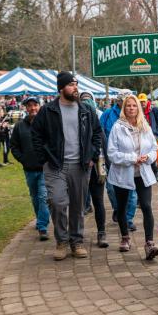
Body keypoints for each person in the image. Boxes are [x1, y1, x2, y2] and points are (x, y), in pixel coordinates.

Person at [31, 71, 102, 261]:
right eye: (71, 85)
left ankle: (76, 242)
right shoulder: (48, 111)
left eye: (76, 84)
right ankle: (61, 241)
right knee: (57, 201)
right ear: (61, 88)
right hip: (55, 166)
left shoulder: (86, 110)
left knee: (78, 206)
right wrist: (44, 159)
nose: (75, 87)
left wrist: (92, 156)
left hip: (80, 165)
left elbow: (97, 134)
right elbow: (36, 135)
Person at [108, 94, 158, 258]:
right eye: (128, 106)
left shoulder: (144, 126)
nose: (131, 108)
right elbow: (112, 153)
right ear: (124, 108)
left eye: (134, 105)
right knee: (122, 207)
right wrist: (132, 158)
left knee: (146, 206)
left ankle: (149, 243)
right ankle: (125, 238)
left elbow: (154, 148)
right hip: (123, 174)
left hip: (142, 173)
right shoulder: (117, 127)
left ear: (139, 107)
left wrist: (148, 157)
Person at [10, 97, 51, 241]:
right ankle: (40, 218)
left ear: (39, 107)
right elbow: (14, 146)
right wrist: (22, 159)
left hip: (45, 168)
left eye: (35, 105)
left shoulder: (46, 124)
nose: (33, 108)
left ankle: (42, 227)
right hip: (29, 169)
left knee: (43, 197)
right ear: (26, 108)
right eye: (30, 106)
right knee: (35, 197)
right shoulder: (20, 126)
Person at [100, 90, 138, 231]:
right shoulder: (107, 115)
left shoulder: (136, 116)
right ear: (119, 101)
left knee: (132, 192)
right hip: (111, 158)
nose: (129, 106)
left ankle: (128, 218)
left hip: (132, 161)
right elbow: (99, 134)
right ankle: (119, 210)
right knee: (111, 189)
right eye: (125, 102)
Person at [79, 91, 109, 248]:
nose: (86, 104)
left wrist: (102, 167)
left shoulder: (98, 126)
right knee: (78, 203)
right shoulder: (76, 125)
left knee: (98, 201)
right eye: (83, 101)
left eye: (89, 101)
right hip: (79, 169)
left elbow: (103, 147)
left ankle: (101, 232)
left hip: (97, 169)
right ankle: (77, 235)